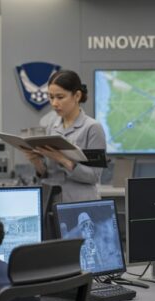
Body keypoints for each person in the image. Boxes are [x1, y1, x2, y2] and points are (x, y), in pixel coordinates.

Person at [21, 70, 104, 203]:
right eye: (51, 97)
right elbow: (46, 174)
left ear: (77, 96)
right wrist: (36, 161)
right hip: (51, 201)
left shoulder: (92, 128)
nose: (54, 103)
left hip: (80, 203)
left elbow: (94, 176)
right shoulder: (50, 126)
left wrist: (62, 159)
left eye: (60, 97)